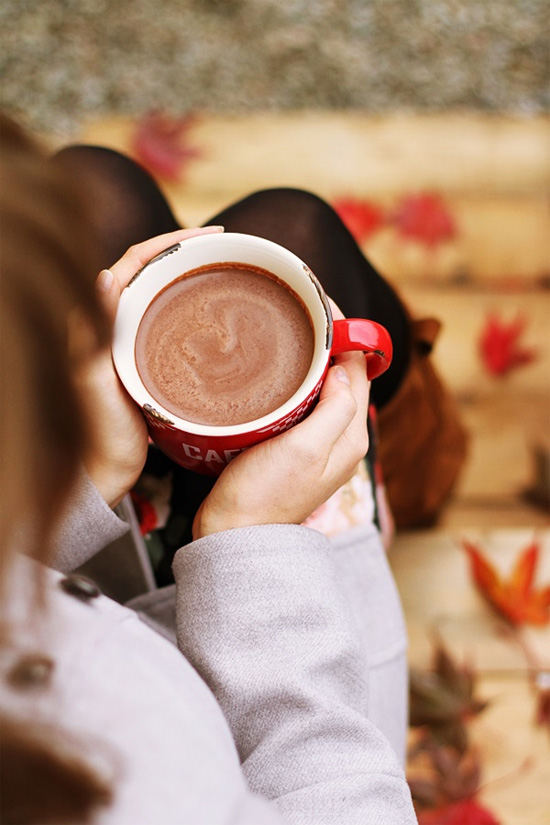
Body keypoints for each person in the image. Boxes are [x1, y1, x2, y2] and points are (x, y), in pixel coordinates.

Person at [0, 111, 418, 824]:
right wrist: (250, 533)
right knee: (298, 225)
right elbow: (336, 795)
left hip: (68, 581)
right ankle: (404, 407)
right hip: (290, 688)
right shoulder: (120, 792)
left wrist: (85, 476)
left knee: (92, 183)